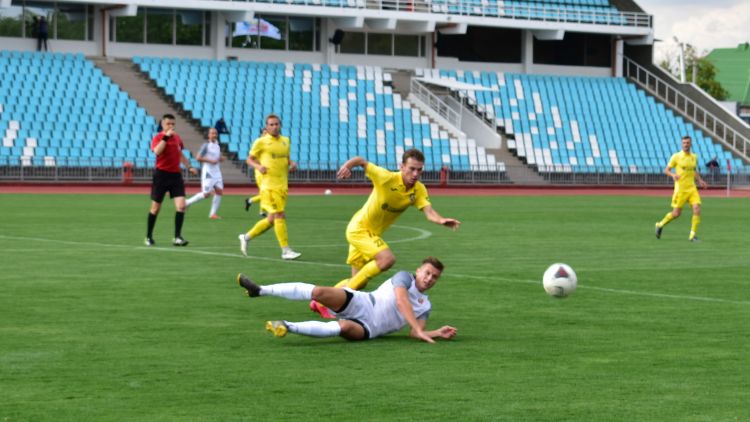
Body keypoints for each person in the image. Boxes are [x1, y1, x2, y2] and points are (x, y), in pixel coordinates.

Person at [309, 149, 461, 317]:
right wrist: (347, 166)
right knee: (387, 259)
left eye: (419, 169)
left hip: (371, 235)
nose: (415, 173)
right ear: (402, 167)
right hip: (359, 229)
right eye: (411, 168)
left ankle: (320, 301)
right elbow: (361, 161)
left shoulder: (418, 190)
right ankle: (332, 301)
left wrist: (440, 220)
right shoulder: (386, 177)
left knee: (359, 283)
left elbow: (429, 211)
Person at [236, 257, 457, 343]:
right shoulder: (404, 277)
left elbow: (414, 332)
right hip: (362, 302)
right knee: (320, 292)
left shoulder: (425, 306)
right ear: (418, 270)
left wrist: (434, 332)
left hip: (370, 328)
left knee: (341, 328)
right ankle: (260, 290)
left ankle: (285, 326)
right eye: (427, 273)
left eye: (434, 277)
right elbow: (401, 300)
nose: (429, 279)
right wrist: (418, 330)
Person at [238, 114, 301, 260]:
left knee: (272, 219)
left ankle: (246, 237)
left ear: (280, 125)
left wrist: (292, 164)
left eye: (276, 124)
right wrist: (258, 166)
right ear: (266, 127)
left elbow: (286, 158)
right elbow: (249, 159)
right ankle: (285, 250)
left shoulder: (286, 141)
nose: (274, 127)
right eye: (271, 124)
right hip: (269, 185)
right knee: (280, 214)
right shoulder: (261, 142)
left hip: (282, 185)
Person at [145, 114, 198, 246]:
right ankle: (148, 236)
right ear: (163, 124)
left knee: (181, 206)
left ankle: (177, 237)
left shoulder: (178, 138)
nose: (171, 126)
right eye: (168, 124)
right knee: (155, 208)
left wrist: (189, 166)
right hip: (161, 175)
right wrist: (166, 137)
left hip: (176, 176)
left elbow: (180, 154)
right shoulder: (158, 137)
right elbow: (157, 151)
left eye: (173, 124)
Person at [655, 135, 708, 242]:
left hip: (692, 188)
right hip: (681, 190)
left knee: (697, 209)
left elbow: (693, 170)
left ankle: (692, 236)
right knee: (676, 213)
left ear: (691, 144)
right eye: (684, 143)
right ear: (681, 144)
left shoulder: (694, 157)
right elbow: (666, 170)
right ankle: (660, 225)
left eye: (687, 143)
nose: (686, 144)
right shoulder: (676, 156)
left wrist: (700, 180)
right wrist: (673, 175)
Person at [185, 128, 225, 219]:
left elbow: (217, 156)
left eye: (215, 133)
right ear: (208, 135)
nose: (214, 135)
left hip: (217, 172)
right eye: (212, 133)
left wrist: (221, 158)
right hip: (208, 172)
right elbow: (198, 158)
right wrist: (211, 161)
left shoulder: (217, 145)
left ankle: (213, 214)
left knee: (219, 191)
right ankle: (187, 202)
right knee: (206, 194)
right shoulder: (206, 146)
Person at [244, 128, 266, 215]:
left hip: (265, 171)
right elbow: (252, 159)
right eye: (264, 133)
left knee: (264, 192)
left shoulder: (267, 144)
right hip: (259, 172)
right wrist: (261, 163)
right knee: (265, 192)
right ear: (261, 134)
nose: (266, 135)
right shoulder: (258, 143)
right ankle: (251, 201)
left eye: (267, 133)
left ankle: (261, 210)